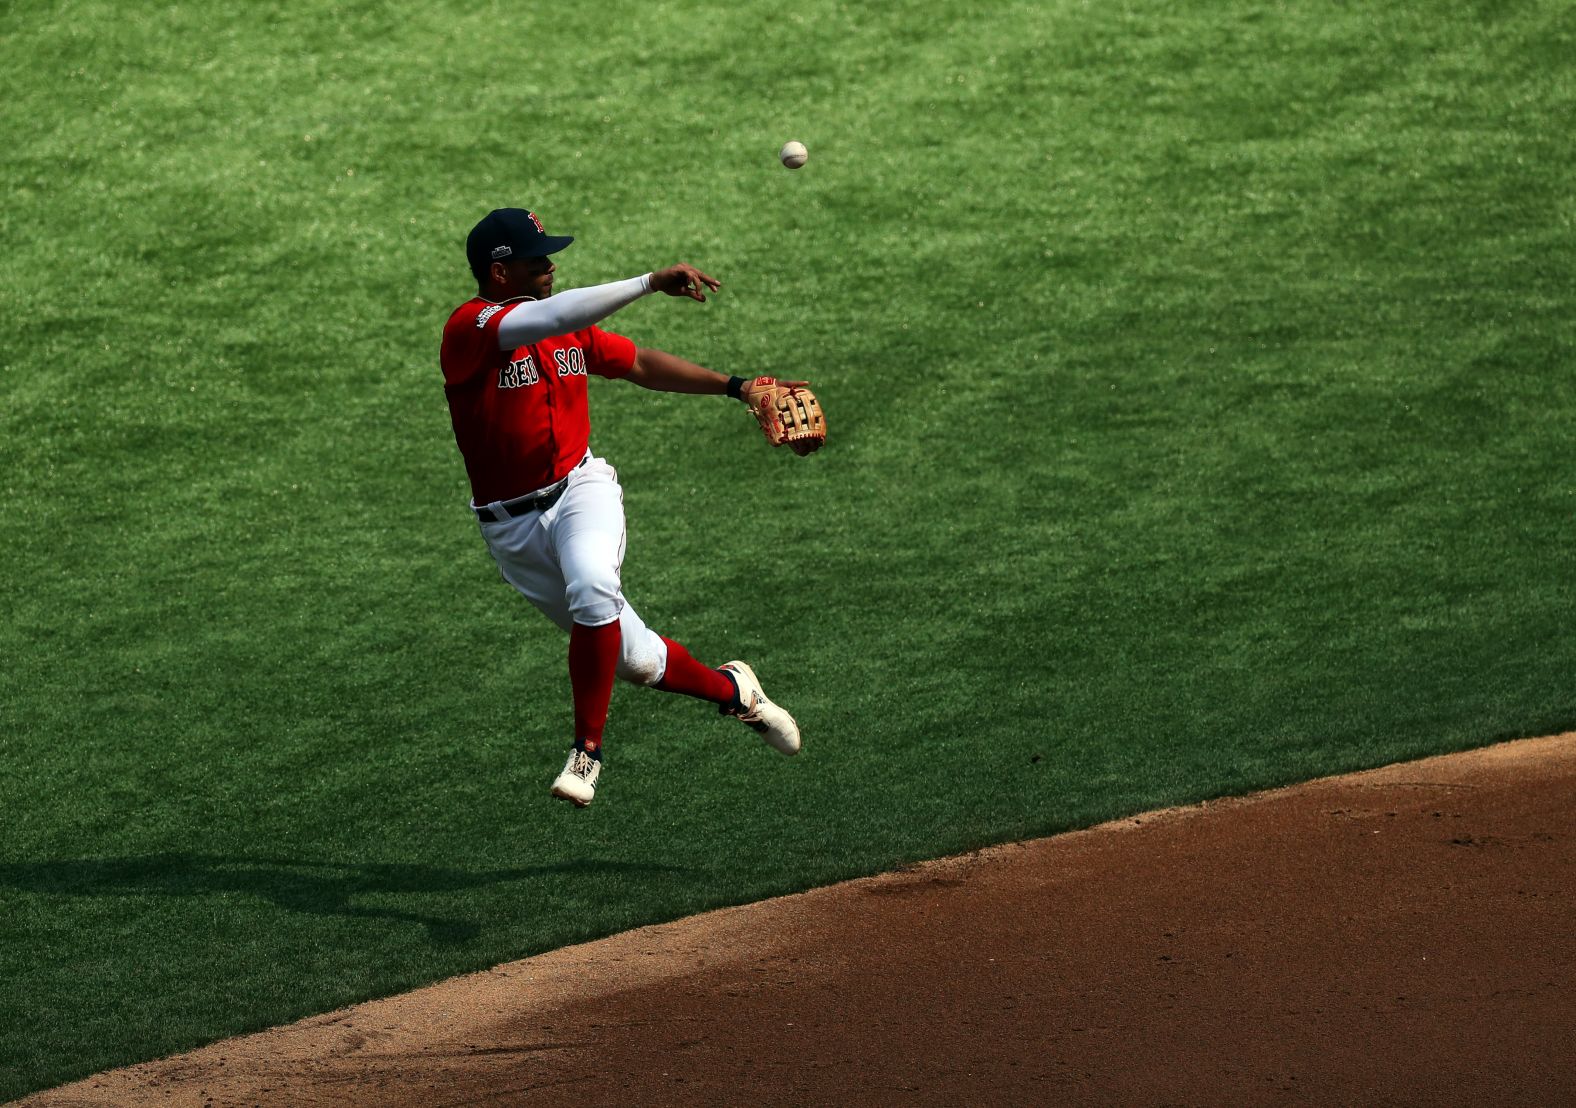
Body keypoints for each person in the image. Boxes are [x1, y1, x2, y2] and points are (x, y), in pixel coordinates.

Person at [439, 207, 802, 808]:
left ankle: (587, 751)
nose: (550, 265)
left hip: (582, 490)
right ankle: (737, 694)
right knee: (636, 660)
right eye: (536, 259)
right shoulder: (470, 330)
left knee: (591, 585)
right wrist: (648, 282)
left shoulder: (565, 331)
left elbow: (635, 363)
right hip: (512, 528)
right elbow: (551, 314)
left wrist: (737, 386)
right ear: (500, 273)